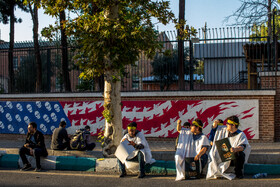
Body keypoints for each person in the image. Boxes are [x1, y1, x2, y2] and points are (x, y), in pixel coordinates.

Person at [206, 115, 251, 180]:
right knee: (212, 153)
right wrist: (214, 125)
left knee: (240, 154)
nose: (226, 124)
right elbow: (214, 131)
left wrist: (235, 149)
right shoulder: (223, 130)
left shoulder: (240, 134)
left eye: (228, 123)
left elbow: (243, 146)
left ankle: (238, 172)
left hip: (232, 158)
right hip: (222, 156)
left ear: (233, 125)